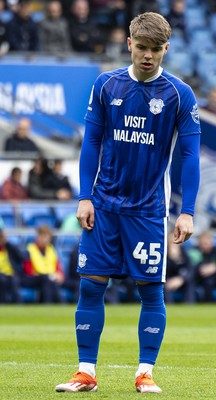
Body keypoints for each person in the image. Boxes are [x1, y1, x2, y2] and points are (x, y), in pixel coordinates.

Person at [55, 12, 200, 394]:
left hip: (149, 209)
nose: (148, 56)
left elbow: (190, 156)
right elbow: (90, 143)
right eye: (142, 48)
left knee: (150, 291)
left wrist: (187, 211)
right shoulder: (106, 85)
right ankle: (86, 372)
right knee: (90, 286)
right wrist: (85, 197)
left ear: (166, 49)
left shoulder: (179, 94)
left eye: (155, 50)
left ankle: (144, 372)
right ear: (129, 44)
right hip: (103, 205)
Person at [23, 225, 65, 303]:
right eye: (44, 237)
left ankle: (60, 305)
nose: (46, 240)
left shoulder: (51, 250)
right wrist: (48, 276)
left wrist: (59, 275)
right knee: (46, 279)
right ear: (38, 237)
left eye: (48, 238)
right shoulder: (30, 250)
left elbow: (57, 267)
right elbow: (29, 271)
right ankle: (49, 304)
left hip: (50, 278)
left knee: (51, 282)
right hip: (33, 278)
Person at [165, 231, 195, 303]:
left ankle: (189, 306)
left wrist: (181, 279)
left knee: (190, 283)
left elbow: (190, 270)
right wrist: (172, 258)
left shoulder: (184, 252)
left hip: (181, 280)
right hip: (167, 280)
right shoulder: (163, 253)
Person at [0, 229, 24, 303]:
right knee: (2, 280)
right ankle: (3, 303)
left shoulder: (9, 249)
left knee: (14, 280)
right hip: (1, 275)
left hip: (11, 274)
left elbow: (21, 256)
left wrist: (8, 244)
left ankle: (19, 304)